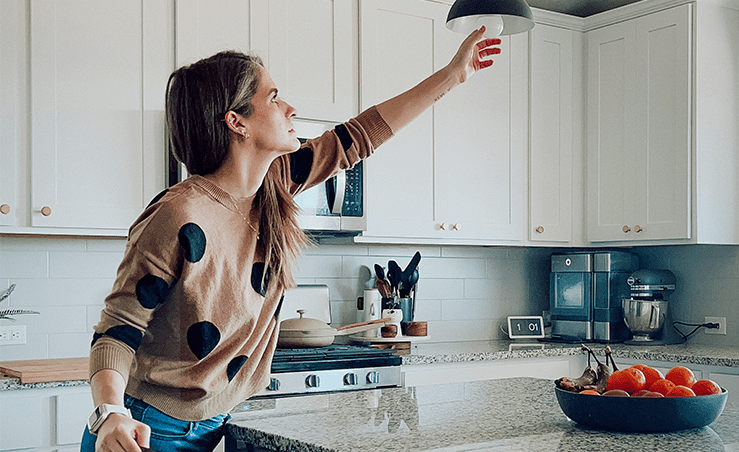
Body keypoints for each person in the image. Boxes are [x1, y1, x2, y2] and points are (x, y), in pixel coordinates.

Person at [82, 28, 501, 452]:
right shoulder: (178, 215)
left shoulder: (274, 186)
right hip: (148, 428)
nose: (290, 108)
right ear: (236, 121)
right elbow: (118, 329)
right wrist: (110, 413)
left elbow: (361, 135)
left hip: (219, 421)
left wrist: (453, 74)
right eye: (274, 97)